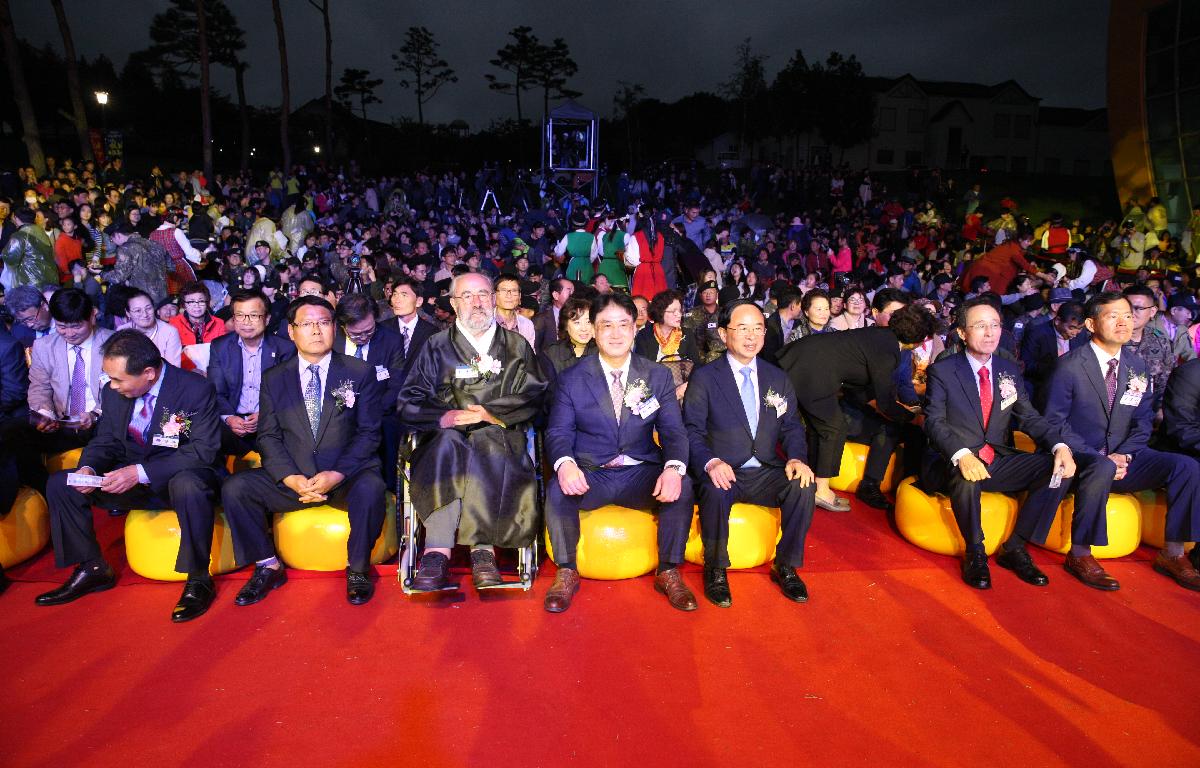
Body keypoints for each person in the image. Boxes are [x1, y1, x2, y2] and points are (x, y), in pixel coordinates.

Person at [35, 330, 223, 622]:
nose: (112, 385)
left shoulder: (194, 389)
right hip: (127, 476)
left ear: (148, 373)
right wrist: (90, 467)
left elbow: (203, 451)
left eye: (119, 379)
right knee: (63, 482)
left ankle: (198, 578)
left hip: (178, 476)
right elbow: (106, 440)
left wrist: (139, 473)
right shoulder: (114, 392)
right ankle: (92, 567)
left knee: (189, 483)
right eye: (109, 377)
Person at [222, 296, 387, 606]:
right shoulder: (274, 378)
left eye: (323, 323)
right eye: (306, 324)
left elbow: (368, 433)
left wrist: (336, 474)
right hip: (295, 477)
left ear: (335, 329)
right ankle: (266, 564)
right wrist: (289, 478)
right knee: (235, 488)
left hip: (344, 475)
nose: (315, 331)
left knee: (372, 487)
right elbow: (268, 436)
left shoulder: (359, 371)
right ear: (290, 330)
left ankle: (359, 568)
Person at [543, 293, 697, 613]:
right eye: (606, 325)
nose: (615, 333)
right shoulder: (572, 378)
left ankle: (668, 570)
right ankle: (567, 570)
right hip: (592, 472)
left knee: (683, 487)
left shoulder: (656, 374)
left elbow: (673, 430)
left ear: (634, 328)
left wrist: (673, 467)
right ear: (595, 330)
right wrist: (566, 464)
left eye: (623, 325)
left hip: (640, 470)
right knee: (557, 489)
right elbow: (558, 431)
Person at [398, 272, 547, 591]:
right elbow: (408, 400)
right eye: (467, 296)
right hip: (445, 438)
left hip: (499, 435)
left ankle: (483, 552)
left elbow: (536, 393)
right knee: (447, 443)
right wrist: (445, 416)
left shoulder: (516, 345)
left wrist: (493, 412)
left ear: (494, 299)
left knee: (487, 441)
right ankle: (436, 552)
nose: (477, 302)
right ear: (453, 303)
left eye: (483, 294)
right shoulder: (436, 346)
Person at [1042, 292, 1200, 591]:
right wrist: (1098, 457)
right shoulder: (1070, 366)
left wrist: (1125, 454)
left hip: (1124, 459)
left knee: (1186, 467)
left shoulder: (1135, 366)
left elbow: (1143, 419)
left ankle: (1174, 553)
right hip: (1081, 458)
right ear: (1091, 323)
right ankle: (1080, 554)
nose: (1123, 322)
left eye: (1128, 315)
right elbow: (1054, 422)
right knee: (1101, 466)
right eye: (1112, 316)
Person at [921, 299, 1077, 589]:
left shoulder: (1008, 369)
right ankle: (975, 552)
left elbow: (1029, 416)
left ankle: (1015, 546)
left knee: (1057, 469)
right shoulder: (943, 370)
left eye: (994, 325)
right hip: (954, 461)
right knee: (965, 476)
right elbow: (933, 422)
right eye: (980, 326)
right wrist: (961, 454)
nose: (990, 333)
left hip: (997, 459)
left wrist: (1059, 446)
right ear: (963, 333)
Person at [683, 299, 816, 606]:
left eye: (758, 329)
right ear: (723, 333)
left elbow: (793, 427)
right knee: (716, 491)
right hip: (723, 468)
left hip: (767, 469)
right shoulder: (705, 377)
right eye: (742, 328)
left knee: (802, 486)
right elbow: (691, 429)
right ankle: (715, 568)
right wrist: (711, 462)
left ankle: (787, 565)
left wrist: (796, 458)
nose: (751, 336)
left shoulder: (776, 377)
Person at [777, 305, 941, 513]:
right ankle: (821, 490)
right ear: (919, 338)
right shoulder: (888, 351)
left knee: (824, 426)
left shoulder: (882, 336)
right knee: (833, 427)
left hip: (802, 363)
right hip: (809, 372)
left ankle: (815, 484)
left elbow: (861, 387)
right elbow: (885, 403)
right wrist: (914, 418)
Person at [1, 289, 113, 497]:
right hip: (61, 423)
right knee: (10, 433)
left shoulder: (113, 343)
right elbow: (39, 387)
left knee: (113, 429)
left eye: (76, 326)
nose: (69, 334)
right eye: (62, 327)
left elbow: (118, 388)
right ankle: (45, 491)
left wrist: (96, 413)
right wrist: (45, 413)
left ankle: (111, 493)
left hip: (101, 421)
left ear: (92, 316)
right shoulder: (44, 346)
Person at [207, 289, 296, 458]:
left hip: (270, 421)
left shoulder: (285, 349)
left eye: (254, 315)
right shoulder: (220, 347)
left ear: (267, 319)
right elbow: (216, 391)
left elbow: (287, 393)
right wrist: (229, 418)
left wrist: (265, 415)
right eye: (240, 315)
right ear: (233, 319)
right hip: (232, 422)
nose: (246, 322)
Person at [334, 293, 405, 490]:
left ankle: (389, 489)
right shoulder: (331, 340)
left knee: (391, 427)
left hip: (379, 412)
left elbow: (396, 383)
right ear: (342, 325)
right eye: (356, 334)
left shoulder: (391, 340)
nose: (363, 337)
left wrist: (370, 413)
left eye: (369, 331)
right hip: (336, 413)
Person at [634, 289, 700, 401]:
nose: (678, 315)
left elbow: (697, 365)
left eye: (680, 310)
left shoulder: (686, 334)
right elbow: (641, 370)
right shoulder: (644, 335)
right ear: (660, 312)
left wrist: (685, 387)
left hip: (683, 388)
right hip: (655, 388)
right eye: (673, 311)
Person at [1019, 300, 1088, 405]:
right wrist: (1055, 367)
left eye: (1079, 328)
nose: (1075, 333)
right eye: (1071, 328)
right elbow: (1027, 364)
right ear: (1057, 321)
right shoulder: (1037, 333)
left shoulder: (1081, 333)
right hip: (1043, 387)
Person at [1122, 285, 1175, 414]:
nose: (1131, 313)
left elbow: (1167, 381)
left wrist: (1161, 409)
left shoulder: (1161, 341)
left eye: (1138, 308)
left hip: (1147, 413)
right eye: (1126, 308)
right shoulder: (1107, 339)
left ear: (1152, 312)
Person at [537, 296, 595, 397]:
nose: (584, 328)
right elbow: (548, 396)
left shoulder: (603, 352)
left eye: (588, 322)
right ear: (566, 325)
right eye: (577, 322)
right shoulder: (551, 353)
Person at [386, 275, 437, 382]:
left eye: (404, 295)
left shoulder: (432, 333)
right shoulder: (382, 329)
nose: (397, 300)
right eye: (394, 294)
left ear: (418, 301)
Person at [168, 281, 227, 370]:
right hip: (184, 371)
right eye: (191, 302)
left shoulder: (219, 323)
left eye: (201, 301)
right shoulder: (174, 323)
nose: (197, 306)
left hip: (213, 369)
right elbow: (173, 353)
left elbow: (223, 352)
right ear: (184, 305)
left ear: (207, 303)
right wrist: (193, 369)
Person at [108, 222, 170, 303]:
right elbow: (171, 266)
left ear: (118, 235)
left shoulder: (125, 249)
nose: (114, 243)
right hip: (163, 293)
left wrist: (101, 273)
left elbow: (118, 278)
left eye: (112, 240)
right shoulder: (154, 243)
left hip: (144, 297)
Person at [0, 207, 56, 290]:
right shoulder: (42, 233)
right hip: (49, 278)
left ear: (16, 218)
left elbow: (10, 257)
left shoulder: (20, 235)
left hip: (29, 280)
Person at [124, 288, 182, 367]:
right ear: (128, 313)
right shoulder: (123, 332)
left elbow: (173, 368)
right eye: (138, 310)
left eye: (148, 308)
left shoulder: (170, 332)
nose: (145, 315)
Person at [493, 273, 536, 348]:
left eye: (514, 291)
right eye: (504, 290)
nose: (509, 295)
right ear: (494, 295)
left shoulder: (527, 324)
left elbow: (530, 355)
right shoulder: (484, 322)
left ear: (519, 297)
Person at [762, 287, 804, 362]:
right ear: (793, 306)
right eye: (800, 305)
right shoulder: (770, 326)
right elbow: (769, 357)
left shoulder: (799, 324)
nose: (801, 309)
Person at [533, 278, 574, 354]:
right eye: (569, 290)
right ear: (556, 295)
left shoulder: (580, 317)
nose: (572, 294)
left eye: (573, 291)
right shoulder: (541, 319)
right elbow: (535, 350)